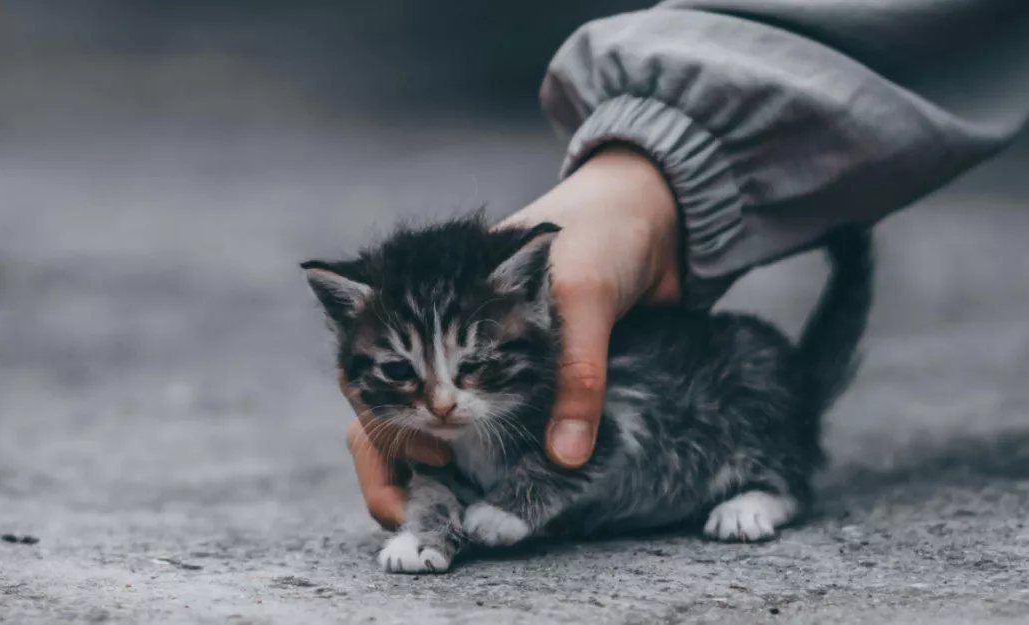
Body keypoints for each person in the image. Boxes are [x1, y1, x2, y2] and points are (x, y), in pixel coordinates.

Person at [342, 0, 1029, 529]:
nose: (438, 403)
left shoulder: (527, 370)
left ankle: (773, 484)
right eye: (405, 374)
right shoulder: (485, 391)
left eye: (466, 368)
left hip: (724, 412)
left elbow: (593, 444)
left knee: (749, 361)